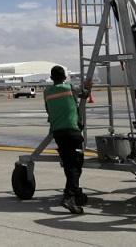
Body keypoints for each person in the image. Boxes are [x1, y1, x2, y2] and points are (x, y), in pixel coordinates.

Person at [44, 66, 90, 214]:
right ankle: (69, 196)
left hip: (58, 132)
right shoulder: (70, 87)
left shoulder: (47, 92)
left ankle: (76, 192)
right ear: (64, 77)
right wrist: (88, 88)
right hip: (72, 131)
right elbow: (85, 95)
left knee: (69, 164)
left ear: (52, 78)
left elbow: (48, 110)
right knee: (76, 165)